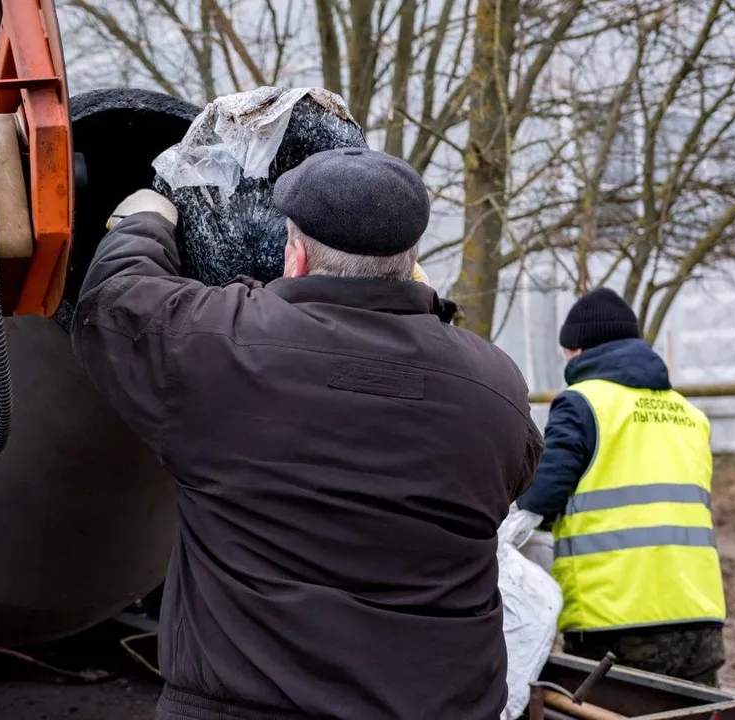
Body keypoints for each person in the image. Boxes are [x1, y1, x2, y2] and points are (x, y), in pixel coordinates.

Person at [72, 147, 544, 719]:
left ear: (294, 255)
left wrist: (142, 222)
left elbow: (115, 305)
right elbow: (518, 468)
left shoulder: (218, 346)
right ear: (412, 260)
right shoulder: (495, 384)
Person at [507, 287, 726, 685]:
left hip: (616, 621)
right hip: (700, 616)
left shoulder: (581, 403)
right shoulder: (689, 415)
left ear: (579, 350)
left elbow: (542, 496)